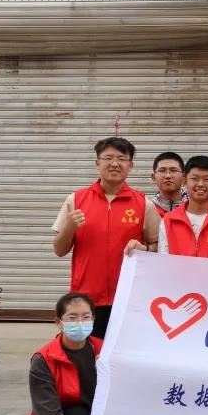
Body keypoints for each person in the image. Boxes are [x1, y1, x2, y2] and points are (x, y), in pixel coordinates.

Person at [51, 137, 160, 339]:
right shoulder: (76, 200)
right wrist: (69, 227)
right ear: (97, 163)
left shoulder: (144, 203)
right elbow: (59, 249)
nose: (114, 163)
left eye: (121, 158)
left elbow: (159, 247)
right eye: (108, 158)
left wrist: (144, 249)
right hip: (86, 300)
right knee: (87, 352)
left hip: (128, 298)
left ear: (130, 165)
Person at [155, 156, 208, 258]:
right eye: (194, 179)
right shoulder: (168, 220)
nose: (200, 184)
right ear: (184, 182)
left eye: (207, 179)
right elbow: (164, 260)